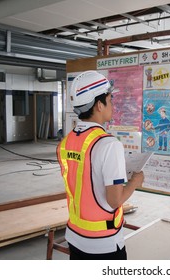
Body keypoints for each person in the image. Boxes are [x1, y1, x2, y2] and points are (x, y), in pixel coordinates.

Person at [57, 70, 144, 260]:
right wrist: (135, 182)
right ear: (99, 105)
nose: (112, 105)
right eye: (110, 100)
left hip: (75, 235)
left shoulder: (66, 142)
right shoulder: (108, 144)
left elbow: (86, 179)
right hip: (103, 243)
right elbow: (115, 200)